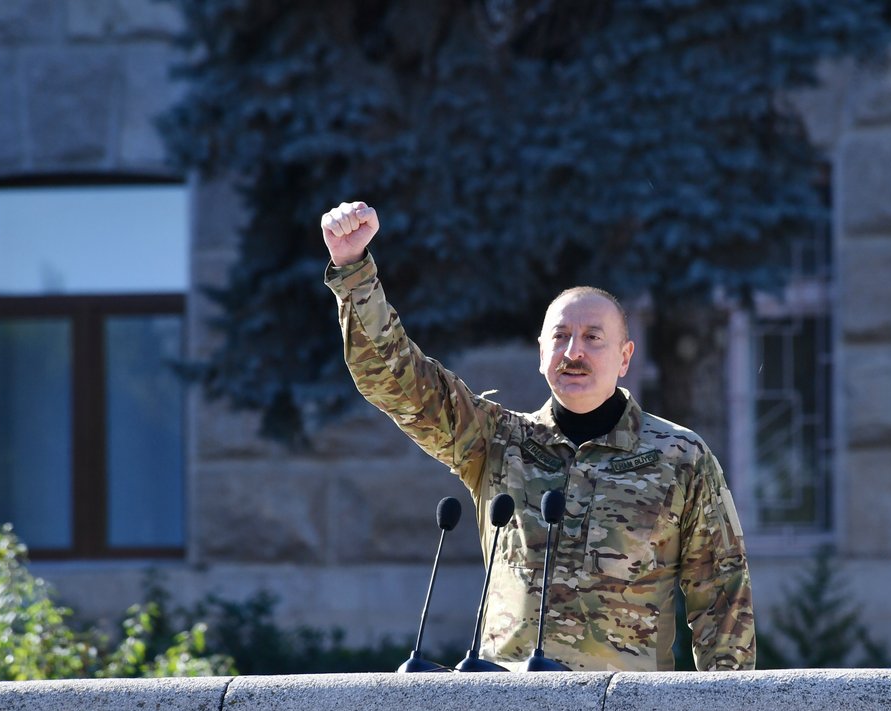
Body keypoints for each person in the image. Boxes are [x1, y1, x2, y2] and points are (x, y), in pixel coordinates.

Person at [322, 200, 754, 671]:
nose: (574, 352)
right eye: (560, 337)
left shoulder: (680, 457)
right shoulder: (495, 441)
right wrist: (353, 270)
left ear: (625, 357)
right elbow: (397, 381)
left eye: (593, 337)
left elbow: (723, 601)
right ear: (540, 352)